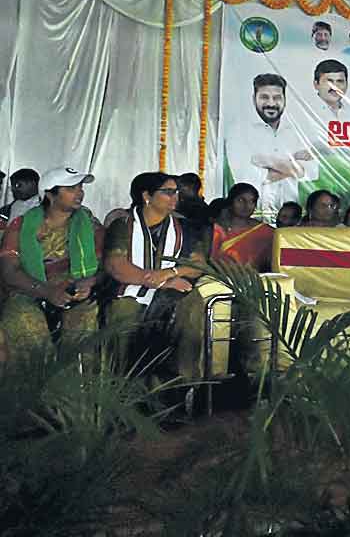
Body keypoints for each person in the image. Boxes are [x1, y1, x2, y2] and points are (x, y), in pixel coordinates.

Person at [104, 172, 207, 379]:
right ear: (146, 196)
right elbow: (115, 265)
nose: (175, 197)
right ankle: (124, 386)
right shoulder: (123, 224)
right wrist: (158, 281)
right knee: (124, 310)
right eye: (168, 192)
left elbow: (198, 264)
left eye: (176, 192)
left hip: (174, 287)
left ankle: (183, 384)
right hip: (131, 288)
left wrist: (170, 273)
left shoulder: (184, 227)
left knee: (191, 304)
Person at [0, 167, 104, 353]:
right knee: (24, 320)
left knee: (85, 317)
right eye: (71, 188)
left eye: (80, 187)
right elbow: (9, 271)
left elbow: (106, 262)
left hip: (74, 289)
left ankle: (77, 372)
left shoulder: (88, 223)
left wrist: (90, 281)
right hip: (29, 289)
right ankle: (38, 371)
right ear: (50, 194)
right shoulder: (22, 225)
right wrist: (47, 291)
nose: (79, 193)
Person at [225, 73, 317, 217]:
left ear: (285, 100)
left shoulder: (297, 130)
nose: (271, 103)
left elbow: (312, 170)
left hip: (290, 217)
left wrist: (266, 161)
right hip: (252, 216)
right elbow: (245, 175)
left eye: (277, 97)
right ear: (254, 99)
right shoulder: (239, 131)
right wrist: (292, 164)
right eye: (264, 97)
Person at [209, 183, 274, 272]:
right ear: (231, 202)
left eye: (252, 201)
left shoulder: (266, 232)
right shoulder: (215, 229)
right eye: (240, 200)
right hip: (216, 279)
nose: (246, 205)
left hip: (253, 279)